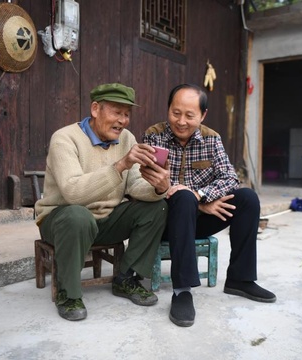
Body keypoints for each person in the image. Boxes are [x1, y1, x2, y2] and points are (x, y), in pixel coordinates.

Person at [143, 83, 276, 327]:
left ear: (202, 115)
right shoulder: (154, 135)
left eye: (189, 115)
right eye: (175, 113)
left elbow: (229, 178)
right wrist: (197, 202)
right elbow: (148, 182)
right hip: (163, 219)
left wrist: (201, 196)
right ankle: (182, 291)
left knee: (247, 199)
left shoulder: (211, 139)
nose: (181, 121)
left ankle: (240, 279)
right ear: (168, 110)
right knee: (182, 199)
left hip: (196, 217)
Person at [35, 83, 170, 321]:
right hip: (62, 220)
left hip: (105, 220)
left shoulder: (126, 138)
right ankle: (68, 294)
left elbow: (135, 186)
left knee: (157, 206)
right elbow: (73, 193)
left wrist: (159, 187)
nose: (123, 120)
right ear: (96, 109)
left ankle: (127, 278)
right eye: (117, 112)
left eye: (127, 114)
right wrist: (120, 165)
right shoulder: (65, 139)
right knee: (78, 215)